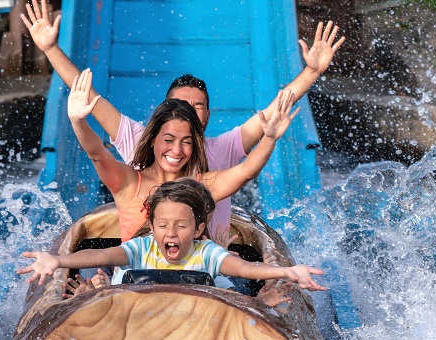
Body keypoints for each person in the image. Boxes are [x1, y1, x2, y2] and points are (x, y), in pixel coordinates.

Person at [21, 0, 346, 237]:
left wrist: (311, 72)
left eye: (198, 106)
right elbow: (88, 100)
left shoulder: (220, 156)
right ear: (165, 116)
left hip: (207, 263)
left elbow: (270, 120)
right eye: (180, 105)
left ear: (208, 115)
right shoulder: (134, 159)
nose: (188, 111)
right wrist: (50, 50)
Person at [66, 69, 297, 242]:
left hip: (193, 287)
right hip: (135, 287)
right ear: (153, 138)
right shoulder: (129, 182)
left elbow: (247, 171)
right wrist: (78, 121)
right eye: (168, 140)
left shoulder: (202, 186)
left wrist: (269, 139)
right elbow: (96, 153)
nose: (176, 151)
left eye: (186, 142)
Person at [18, 179, 328, 295]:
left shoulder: (206, 253)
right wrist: (57, 259)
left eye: (181, 226)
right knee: (101, 285)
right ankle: (95, 292)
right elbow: (99, 256)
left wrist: (288, 271)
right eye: (163, 224)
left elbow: (247, 269)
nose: (171, 232)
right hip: (142, 316)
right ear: (151, 228)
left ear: (198, 230)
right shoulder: (142, 248)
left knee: (236, 292)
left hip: (192, 320)